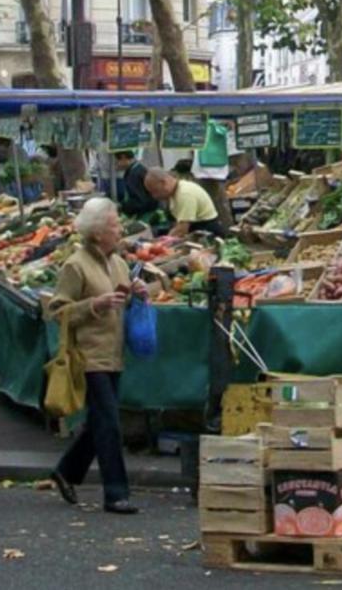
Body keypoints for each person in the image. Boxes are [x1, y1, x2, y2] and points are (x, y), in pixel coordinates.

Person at [47, 197, 145, 515]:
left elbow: (121, 301)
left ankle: (67, 471)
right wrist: (94, 305)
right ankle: (116, 492)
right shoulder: (75, 265)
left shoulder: (117, 262)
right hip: (88, 355)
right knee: (109, 423)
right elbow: (57, 311)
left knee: (99, 421)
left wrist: (139, 293)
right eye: (115, 224)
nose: (120, 230)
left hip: (113, 351)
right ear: (98, 232)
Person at [144, 167, 224, 237]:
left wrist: (164, 243)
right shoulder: (174, 193)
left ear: (164, 183)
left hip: (207, 232)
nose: (154, 196)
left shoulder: (184, 193)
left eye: (155, 191)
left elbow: (182, 230)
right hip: (196, 231)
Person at [114, 150, 159, 217]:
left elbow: (139, 201)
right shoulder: (139, 168)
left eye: (117, 161)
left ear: (123, 157)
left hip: (145, 214)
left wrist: (122, 206)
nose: (116, 164)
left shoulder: (134, 175)